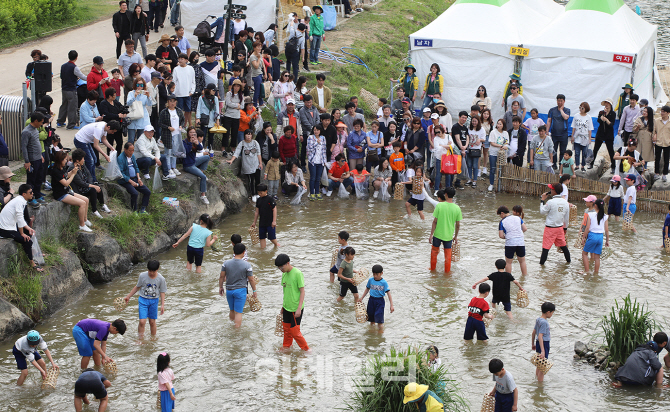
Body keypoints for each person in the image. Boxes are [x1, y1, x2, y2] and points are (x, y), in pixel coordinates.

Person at [0, 184, 42, 271]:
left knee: (28, 233)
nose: (32, 194)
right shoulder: (19, 201)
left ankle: (33, 254)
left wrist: (28, 228)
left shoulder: (21, 200)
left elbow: (21, 219)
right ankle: (32, 263)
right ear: (24, 194)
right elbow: (19, 219)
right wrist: (22, 233)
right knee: (26, 240)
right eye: (30, 192)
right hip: (4, 229)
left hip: (10, 225)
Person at [49, 151, 93, 232]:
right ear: (60, 160)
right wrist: (73, 175)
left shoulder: (62, 168)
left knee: (86, 200)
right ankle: (82, 225)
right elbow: (65, 183)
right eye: (65, 159)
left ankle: (85, 219)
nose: (67, 161)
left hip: (66, 191)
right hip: (60, 194)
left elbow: (66, 175)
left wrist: (73, 171)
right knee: (82, 203)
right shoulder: (55, 171)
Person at [275, 253, 310, 351]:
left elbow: (302, 291)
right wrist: (283, 306)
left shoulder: (298, 273)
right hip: (287, 307)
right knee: (286, 329)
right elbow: (285, 292)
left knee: (295, 332)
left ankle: (306, 349)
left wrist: (299, 308)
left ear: (287, 263)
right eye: (279, 268)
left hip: (296, 308)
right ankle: (287, 346)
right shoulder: (284, 275)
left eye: (282, 267)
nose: (281, 269)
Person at [123, 259, 167, 336]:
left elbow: (162, 292)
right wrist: (128, 296)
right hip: (143, 300)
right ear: (147, 269)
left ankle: (153, 339)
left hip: (154, 301)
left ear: (157, 269)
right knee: (142, 321)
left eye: (154, 271)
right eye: (150, 271)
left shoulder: (161, 279)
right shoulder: (142, 276)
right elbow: (137, 287)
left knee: (152, 322)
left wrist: (162, 305)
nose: (152, 273)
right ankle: (140, 339)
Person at [219, 243, 257, 328]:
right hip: (240, 291)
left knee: (232, 310)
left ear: (233, 251)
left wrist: (220, 287)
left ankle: (231, 326)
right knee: (238, 312)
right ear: (244, 252)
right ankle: (237, 332)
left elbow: (221, 276)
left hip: (229, 290)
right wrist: (254, 290)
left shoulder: (226, 263)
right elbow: (251, 279)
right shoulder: (247, 265)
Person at [70, 149, 112, 218]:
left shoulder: (82, 165)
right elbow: (80, 183)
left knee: (97, 187)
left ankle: (102, 205)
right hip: (79, 189)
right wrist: (91, 186)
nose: (84, 160)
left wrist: (91, 184)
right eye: (83, 158)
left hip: (85, 185)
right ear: (77, 160)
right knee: (93, 190)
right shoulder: (72, 169)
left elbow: (89, 175)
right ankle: (94, 210)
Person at [429, 187, 462, 272]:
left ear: (445, 194)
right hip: (448, 236)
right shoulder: (457, 208)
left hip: (437, 235)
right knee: (448, 257)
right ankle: (447, 274)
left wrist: (431, 235)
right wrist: (455, 236)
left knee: (434, 253)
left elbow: (434, 222)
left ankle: (432, 270)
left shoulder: (439, 205)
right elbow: (458, 225)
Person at [357, 264, 394, 333]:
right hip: (371, 300)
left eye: (377, 274)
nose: (375, 276)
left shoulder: (384, 283)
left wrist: (391, 305)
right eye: (374, 274)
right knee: (371, 319)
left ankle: (380, 333)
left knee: (379, 319)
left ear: (381, 273)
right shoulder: (371, 280)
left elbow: (389, 294)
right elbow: (367, 289)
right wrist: (361, 298)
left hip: (380, 301)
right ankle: (372, 333)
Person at [540, 183, 571, 265]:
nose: (550, 190)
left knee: (546, 248)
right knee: (564, 247)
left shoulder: (550, 202)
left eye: (551, 189)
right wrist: (565, 228)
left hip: (550, 228)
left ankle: (541, 266)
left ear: (553, 191)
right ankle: (568, 262)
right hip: (560, 228)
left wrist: (542, 200)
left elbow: (542, 212)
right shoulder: (565, 203)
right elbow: (566, 218)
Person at [228, 129, 263, 200]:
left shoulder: (255, 143)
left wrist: (260, 163)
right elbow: (237, 152)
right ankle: (253, 194)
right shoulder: (242, 143)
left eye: (250, 134)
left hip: (256, 164)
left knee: (257, 180)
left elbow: (259, 153)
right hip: (247, 165)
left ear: (252, 135)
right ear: (244, 135)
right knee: (251, 180)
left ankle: (257, 194)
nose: (248, 136)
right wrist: (231, 160)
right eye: (247, 134)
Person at [57, 50, 88, 129]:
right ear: (76, 58)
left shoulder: (63, 66)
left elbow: (61, 76)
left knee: (64, 105)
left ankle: (60, 121)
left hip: (64, 89)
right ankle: (71, 124)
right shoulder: (74, 67)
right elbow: (83, 77)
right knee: (72, 107)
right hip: (71, 89)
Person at [117, 142, 151, 212]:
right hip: (125, 180)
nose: (132, 152)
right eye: (130, 150)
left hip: (135, 178)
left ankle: (143, 209)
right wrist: (131, 181)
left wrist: (138, 178)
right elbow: (121, 173)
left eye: (133, 150)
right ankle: (134, 211)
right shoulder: (120, 158)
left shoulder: (132, 156)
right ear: (125, 150)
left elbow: (136, 167)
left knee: (147, 191)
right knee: (135, 193)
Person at [21, 112, 47, 206]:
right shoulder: (26, 132)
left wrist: (40, 155)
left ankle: (37, 194)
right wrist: (27, 161)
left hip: (38, 158)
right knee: (31, 180)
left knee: (39, 178)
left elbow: (36, 143)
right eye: (41, 122)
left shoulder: (36, 130)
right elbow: (24, 147)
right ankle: (30, 199)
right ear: (36, 121)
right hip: (32, 160)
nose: (41, 124)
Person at [182, 127, 212, 203]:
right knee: (203, 177)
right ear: (188, 133)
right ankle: (203, 195)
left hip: (194, 161)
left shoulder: (195, 141)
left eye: (194, 133)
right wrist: (190, 143)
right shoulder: (184, 142)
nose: (192, 134)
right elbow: (186, 151)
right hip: (188, 165)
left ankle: (200, 171)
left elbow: (201, 149)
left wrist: (197, 143)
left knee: (207, 157)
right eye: (190, 133)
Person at [496, 205, 528, 276]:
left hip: (510, 243)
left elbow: (501, 235)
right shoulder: (518, 218)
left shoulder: (502, 221)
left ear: (502, 213)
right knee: (522, 261)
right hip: (520, 242)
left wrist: (508, 236)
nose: (500, 217)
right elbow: (525, 229)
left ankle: (508, 278)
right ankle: (525, 277)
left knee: (508, 262)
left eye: (500, 215)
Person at [158, 94, 184, 177]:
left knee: (175, 152)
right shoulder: (164, 112)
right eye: (170, 101)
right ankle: (168, 168)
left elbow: (182, 120)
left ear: (176, 102)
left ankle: (174, 167)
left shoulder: (179, 111)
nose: (172, 103)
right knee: (168, 152)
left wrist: (181, 126)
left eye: (174, 101)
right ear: (168, 102)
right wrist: (168, 127)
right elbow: (160, 123)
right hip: (167, 134)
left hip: (176, 134)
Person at [581, 198, 609, 274]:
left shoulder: (590, 215)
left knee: (584, 254)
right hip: (600, 237)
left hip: (592, 236)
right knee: (597, 257)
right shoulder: (605, 216)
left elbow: (587, 228)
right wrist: (607, 241)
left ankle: (587, 271)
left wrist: (583, 238)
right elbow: (606, 230)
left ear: (595, 205)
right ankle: (596, 273)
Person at [589, 99, 616, 172]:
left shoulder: (613, 113)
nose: (606, 105)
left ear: (610, 105)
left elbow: (611, 124)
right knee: (595, 150)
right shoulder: (601, 112)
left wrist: (606, 120)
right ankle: (591, 163)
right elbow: (599, 121)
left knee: (611, 151)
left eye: (608, 103)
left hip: (609, 134)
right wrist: (602, 118)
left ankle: (613, 166)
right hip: (600, 133)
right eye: (606, 103)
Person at [250, 184, 279, 248]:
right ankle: (263, 250)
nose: (259, 194)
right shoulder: (259, 200)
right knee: (262, 237)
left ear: (266, 191)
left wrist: (274, 221)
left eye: (261, 193)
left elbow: (274, 210)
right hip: (262, 222)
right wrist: (254, 222)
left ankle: (277, 245)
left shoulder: (270, 199)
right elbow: (257, 212)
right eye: (258, 193)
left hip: (270, 222)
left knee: (271, 237)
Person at [532, 302, 555, 382]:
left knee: (539, 364)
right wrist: (543, 350)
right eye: (552, 313)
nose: (552, 315)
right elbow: (540, 336)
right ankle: (540, 385)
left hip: (538, 343)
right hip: (544, 344)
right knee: (543, 366)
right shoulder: (544, 322)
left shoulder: (538, 320)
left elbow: (534, 332)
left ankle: (536, 379)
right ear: (548, 312)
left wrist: (533, 344)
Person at [547, 94, 571, 170]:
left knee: (563, 151)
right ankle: (554, 164)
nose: (559, 102)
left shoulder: (567, 110)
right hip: (554, 134)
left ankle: (561, 164)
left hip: (564, 134)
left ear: (564, 101)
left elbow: (565, 117)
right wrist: (547, 131)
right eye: (558, 100)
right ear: (556, 101)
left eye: (561, 101)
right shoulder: (552, 110)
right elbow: (549, 120)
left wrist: (561, 110)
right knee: (554, 150)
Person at [98, 88, 126, 154]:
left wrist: (124, 113)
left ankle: (118, 155)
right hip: (109, 126)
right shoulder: (103, 103)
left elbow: (121, 107)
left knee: (119, 142)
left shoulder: (115, 102)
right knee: (110, 142)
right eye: (114, 95)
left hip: (118, 125)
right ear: (110, 96)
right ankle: (110, 156)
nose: (115, 96)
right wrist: (117, 115)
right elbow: (106, 114)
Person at [173, 54, 195, 127]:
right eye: (179, 59)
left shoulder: (190, 68)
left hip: (188, 93)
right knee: (179, 111)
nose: (180, 60)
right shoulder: (176, 69)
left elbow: (193, 81)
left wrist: (192, 91)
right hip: (178, 94)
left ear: (186, 60)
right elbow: (174, 81)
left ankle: (184, 125)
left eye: (182, 59)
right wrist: (174, 92)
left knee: (188, 110)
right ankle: (178, 125)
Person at [488, 119, 509, 192]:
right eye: (498, 124)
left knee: (501, 169)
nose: (499, 125)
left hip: (502, 153)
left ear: (503, 125)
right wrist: (500, 145)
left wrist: (505, 146)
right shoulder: (493, 132)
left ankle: (500, 184)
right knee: (492, 169)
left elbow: (507, 142)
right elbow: (492, 143)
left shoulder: (506, 133)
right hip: (493, 153)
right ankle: (491, 184)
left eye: (500, 124)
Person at [653, 105, 670, 181]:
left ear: (668, 113)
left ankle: (664, 174)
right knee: (657, 158)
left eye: (663, 112)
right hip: (658, 142)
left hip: (667, 143)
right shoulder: (657, 121)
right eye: (661, 111)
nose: (662, 113)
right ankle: (656, 173)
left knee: (666, 159)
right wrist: (654, 137)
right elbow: (654, 131)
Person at [467, 115, 485, 186]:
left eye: (475, 121)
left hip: (476, 149)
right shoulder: (469, 128)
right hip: (469, 148)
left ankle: (475, 180)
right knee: (469, 165)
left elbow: (484, 139)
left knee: (475, 165)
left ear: (478, 122)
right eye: (473, 121)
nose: (474, 123)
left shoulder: (481, 129)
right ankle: (469, 179)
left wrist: (479, 140)